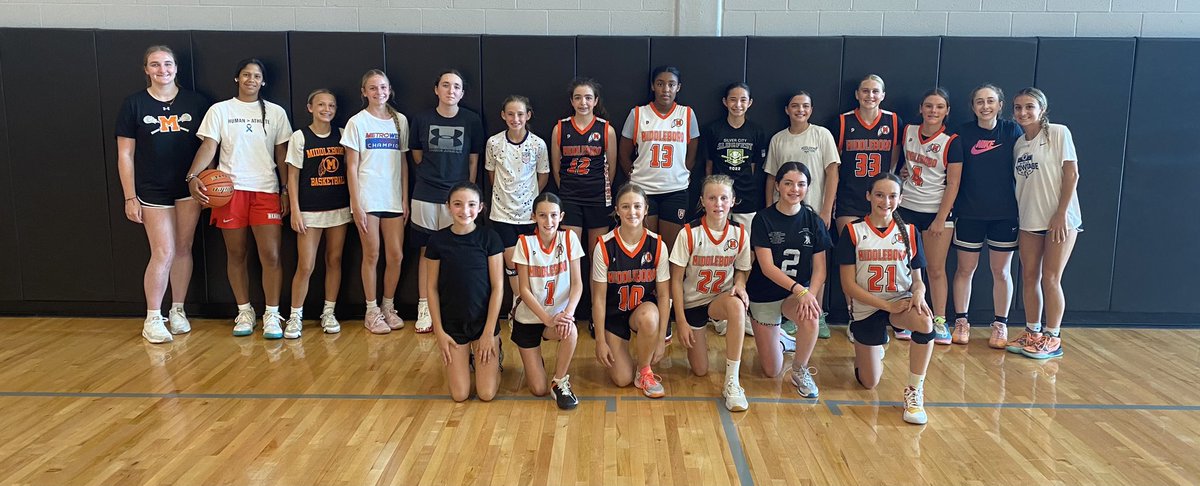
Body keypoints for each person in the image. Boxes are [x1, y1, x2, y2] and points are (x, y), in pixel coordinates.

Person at [187, 58, 292, 339]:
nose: (251, 80)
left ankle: (271, 314)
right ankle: (244, 311)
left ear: (263, 81)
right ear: (237, 78)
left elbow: (282, 155)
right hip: (229, 191)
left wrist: (286, 190)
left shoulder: (276, 112)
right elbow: (209, 145)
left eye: (257, 76)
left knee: (270, 254)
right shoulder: (220, 110)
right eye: (246, 74)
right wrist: (192, 176)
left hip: (266, 190)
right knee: (236, 254)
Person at [116, 45, 210, 344]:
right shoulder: (134, 104)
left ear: (176, 68)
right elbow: (125, 155)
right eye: (155, 65)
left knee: (184, 248)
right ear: (146, 70)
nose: (162, 70)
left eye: (167, 64)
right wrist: (130, 196)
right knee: (163, 252)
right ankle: (153, 317)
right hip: (152, 188)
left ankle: (177, 310)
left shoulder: (196, 102)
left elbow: (210, 146)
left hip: (187, 187)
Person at [838, 173, 935, 425]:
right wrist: (885, 305)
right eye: (880, 195)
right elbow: (848, 284)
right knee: (869, 383)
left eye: (892, 196)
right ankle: (874, 345)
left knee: (926, 322)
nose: (886, 201)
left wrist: (919, 293)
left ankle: (914, 391)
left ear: (900, 199)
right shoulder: (853, 231)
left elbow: (918, 279)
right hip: (867, 308)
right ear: (868, 196)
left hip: (900, 302)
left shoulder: (910, 232)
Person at [746, 163, 832, 398]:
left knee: (812, 314)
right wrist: (800, 290)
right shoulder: (763, 219)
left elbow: (820, 270)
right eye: (788, 183)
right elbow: (766, 267)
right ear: (777, 186)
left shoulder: (813, 221)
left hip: (794, 296)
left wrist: (808, 295)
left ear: (807, 188)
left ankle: (799, 369)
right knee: (772, 370)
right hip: (764, 294)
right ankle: (782, 339)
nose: (795, 189)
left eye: (801, 184)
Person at [669, 175, 753, 411]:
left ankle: (732, 381)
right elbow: (675, 280)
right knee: (700, 370)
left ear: (733, 201)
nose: (718, 204)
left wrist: (740, 284)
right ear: (703, 201)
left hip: (720, 299)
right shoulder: (689, 233)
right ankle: (704, 328)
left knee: (737, 304)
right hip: (693, 303)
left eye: (724, 198)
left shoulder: (740, 234)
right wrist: (681, 322)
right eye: (712, 198)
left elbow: (742, 270)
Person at [410, 70, 485, 333]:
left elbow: (474, 160)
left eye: (456, 86)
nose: (450, 90)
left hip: (459, 198)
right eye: (445, 85)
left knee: (459, 252)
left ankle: (451, 306)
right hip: (426, 195)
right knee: (427, 253)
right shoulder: (421, 119)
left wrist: (468, 193)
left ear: (462, 93)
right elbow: (417, 157)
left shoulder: (472, 120)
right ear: (436, 89)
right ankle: (424, 306)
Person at [1010, 87, 1081, 360]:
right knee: (1029, 277)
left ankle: (1053, 336)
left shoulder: (1058, 133)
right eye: (1018, 107)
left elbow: (1072, 174)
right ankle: (1033, 331)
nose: (1023, 112)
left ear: (1042, 110)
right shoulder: (1019, 144)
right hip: (1030, 219)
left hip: (1059, 220)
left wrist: (1061, 214)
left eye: (1029, 107)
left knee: (1051, 278)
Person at [763, 91, 840, 339]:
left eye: (805, 106)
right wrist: (768, 211)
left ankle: (817, 313)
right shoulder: (778, 139)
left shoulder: (822, 135)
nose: (800, 110)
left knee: (817, 264)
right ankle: (790, 314)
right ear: (787, 110)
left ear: (811, 109)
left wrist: (826, 210)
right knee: (786, 263)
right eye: (795, 106)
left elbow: (833, 173)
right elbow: (771, 177)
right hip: (783, 213)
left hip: (814, 212)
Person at [950, 84, 1023, 347]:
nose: (985, 106)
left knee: (1001, 271)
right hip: (969, 212)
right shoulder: (962, 133)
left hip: (1005, 215)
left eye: (990, 101)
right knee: (965, 269)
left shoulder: (1012, 131)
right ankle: (961, 321)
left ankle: (1000, 324)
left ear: (1000, 105)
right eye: (979, 101)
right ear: (973, 107)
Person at [342, 69, 411, 334]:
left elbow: (403, 162)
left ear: (389, 89)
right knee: (372, 254)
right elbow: (351, 167)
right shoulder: (357, 123)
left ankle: (387, 306)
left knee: (396, 255)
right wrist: (356, 204)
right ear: (364, 92)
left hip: (393, 198)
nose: (378, 92)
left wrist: (405, 198)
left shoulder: (399, 120)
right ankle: (371, 311)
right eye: (372, 88)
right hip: (368, 198)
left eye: (382, 87)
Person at [836, 74, 903, 343]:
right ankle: (856, 318)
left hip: (882, 198)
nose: (870, 96)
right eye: (865, 91)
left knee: (883, 259)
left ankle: (889, 316)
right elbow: (837, 163)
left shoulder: (893, 121)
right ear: (857, 94)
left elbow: (896, 157)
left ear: (883, 95)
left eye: (875, 91)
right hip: (850, 199)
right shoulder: (843, 122)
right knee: (854, 262)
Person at [425, 182, 505, 402]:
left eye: (471, 204)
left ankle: (496, 356)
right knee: (460, 395)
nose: (465, 210)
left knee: (486, 394)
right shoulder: (437, 241)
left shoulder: (490, 238)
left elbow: (498, 287)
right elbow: (431, 289)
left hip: (482, 325)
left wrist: (489, 332)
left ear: (480, 207)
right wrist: (439, 332)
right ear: (448, 207)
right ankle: (467, 360)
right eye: (458, 204)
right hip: (452, 326)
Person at [592, 184, 671, 399]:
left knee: (650, 315)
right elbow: (598, 299)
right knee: (622, 379)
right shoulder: (604, 245)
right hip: (613, 314)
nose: (632, 212)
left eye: (637, 206)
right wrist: (600, 340)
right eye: (625, 207)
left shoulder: (657, 245)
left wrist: (662, 336)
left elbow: (664, 295)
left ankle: (644, 370)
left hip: (641, 312)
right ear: (617, 210)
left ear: (646, 209)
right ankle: (623, 354)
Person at [897, 88, 963, 344]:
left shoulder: (951, 140)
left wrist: (940, 218)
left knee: (935, 270)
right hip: (907, 209)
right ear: (920, 109)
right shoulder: (909, 132)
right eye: (928, 106)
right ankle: (906, 317)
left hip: (936, 212)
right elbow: (905, 165)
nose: (933, 111)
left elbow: (954, 184)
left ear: (946, 111)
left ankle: (939, 320)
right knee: (906, 268)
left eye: (938, 107)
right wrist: (903, 169)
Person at [285, 89, 349, 338]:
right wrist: (295, 211)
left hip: (338, 208)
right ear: (310, 107)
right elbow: (292, 177)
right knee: (306, 265)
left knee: (334, 260)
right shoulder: (299, 137)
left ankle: (329, 312)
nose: (327, 109)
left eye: (331, 105)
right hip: (309, 211)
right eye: (321, 104)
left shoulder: (342, 135)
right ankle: (295, 316)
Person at [511, 193, 583, 410]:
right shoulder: (524, 243)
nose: (548, 221)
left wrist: (567, 313)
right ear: (533, 217)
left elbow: (577, 283)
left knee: (570, 330)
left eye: (553, 215)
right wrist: (547, 319)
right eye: (542, 215)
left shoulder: (569, 239)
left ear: (561, 216)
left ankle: (560, 381)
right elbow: (523, 289)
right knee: (537, 389)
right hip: (529, 319)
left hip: (557, 317)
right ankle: (537, 363)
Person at [618, 66, 700, 252]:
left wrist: (681, 173)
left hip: (675, 190)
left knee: (671, 250)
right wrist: (634, 175)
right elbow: (624, 153)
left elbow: (693, 153)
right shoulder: (638, 113)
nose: (666, 89)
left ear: (678, 87)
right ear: (653, 86)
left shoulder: (687, 114)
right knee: (646, 248)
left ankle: (669, 283)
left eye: (671, 84)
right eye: (660, 84)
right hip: (644, 189)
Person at [485, 95, 549, 317]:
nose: (515, 118)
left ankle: (532, 305)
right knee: (512, 263)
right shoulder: (494, 143)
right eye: (510, 114)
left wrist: (530, 201)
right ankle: (518, 304)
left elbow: (543, 176)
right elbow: (492, 175)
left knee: (529, 263)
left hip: (529, 215)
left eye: (520, 114)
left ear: (528, 115)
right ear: (503, 115)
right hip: (501, 214)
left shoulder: (538, 144)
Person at [551, 77, 616, 254]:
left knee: (597, 255)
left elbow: (612, 168)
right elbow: (556, 168)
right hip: (570, 197)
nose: (583, 102)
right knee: (571, 253)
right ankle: (574, 284)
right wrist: (567, 189)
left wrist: (597, 188)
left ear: (595, 101)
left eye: (588, 97)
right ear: (572, 101)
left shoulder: (606, 130)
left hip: (598, 197)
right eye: (578, 97)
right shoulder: (560, 128)